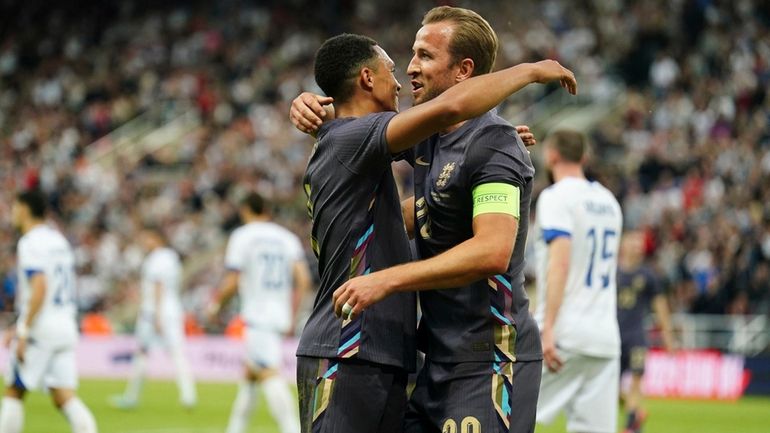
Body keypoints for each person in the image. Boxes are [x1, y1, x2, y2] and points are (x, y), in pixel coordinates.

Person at [293, 7, 576, 433]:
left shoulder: (489, 144)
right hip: (424, 359)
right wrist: (311, 104)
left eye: (424, 55)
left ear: (464, 71)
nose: (409, 69)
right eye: (407, 56)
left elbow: (492, 249)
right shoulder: (417, 140)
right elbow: (435, 141)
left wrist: (493, 140)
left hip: (487, 359)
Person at [533, 130, 623, 433]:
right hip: (604, 339)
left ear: (551, 155)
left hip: (564, 334)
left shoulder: (556, 196)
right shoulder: (609, 201)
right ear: (584, 157)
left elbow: (560, 260)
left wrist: (548, 328)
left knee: (505, 416)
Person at [207, 192, 311, 433]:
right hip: (279, 315)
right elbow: (304, 280)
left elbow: (233, 282)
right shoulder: (287, 238)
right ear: (267, 210)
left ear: (245, 210)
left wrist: (215, 307)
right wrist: (293, 314)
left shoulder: (243, 237)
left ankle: (293, 429)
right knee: (251, 377)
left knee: (267, 373)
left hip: (257, 316)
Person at [0, 190, 98, 433]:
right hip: (65, 325)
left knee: (14, 390)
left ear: (24, 209)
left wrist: (23, 330)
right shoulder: (59, 241)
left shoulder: (31, 242)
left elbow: (40, 288)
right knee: (63, 395)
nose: (12, 214)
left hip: (42, 327)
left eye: (14, 208)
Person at [110, 225, 196, 410]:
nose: (144, 242)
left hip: (155, 312)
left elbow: (158, 285)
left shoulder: (157, 258)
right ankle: (188, 396)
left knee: (143, 352)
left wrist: (157, 315)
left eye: (146, 238)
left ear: (156, 238)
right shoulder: (172, 257)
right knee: (176, 353)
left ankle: (132, 397)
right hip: (172, 309)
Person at [617, 230, 676, 433]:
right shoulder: (610, 272)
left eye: (639, 243)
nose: (637, 246)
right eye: (633, 241)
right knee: (612, 389)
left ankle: (630, 427)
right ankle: (635, 412)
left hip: (636, 338)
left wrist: (668, 336)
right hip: (613, 337)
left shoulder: (648, 276)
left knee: (636, 380)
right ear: (623, 244)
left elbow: (661, 307)